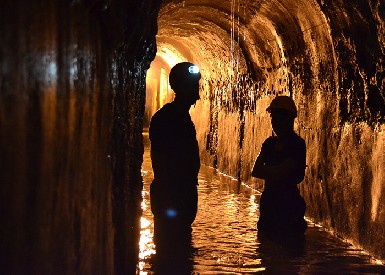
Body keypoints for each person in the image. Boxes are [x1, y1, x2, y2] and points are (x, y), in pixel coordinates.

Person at [149, 62, 201, 243]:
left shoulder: (182, 118)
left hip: (181, 196)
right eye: (193, 86)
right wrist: (166, 198)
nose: (197, 92)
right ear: (180, 87)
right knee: (169, 250)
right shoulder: (166, 119)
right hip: (171, 197)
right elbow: (159, 161)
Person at [252, 95, 307, 239]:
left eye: (279, 119)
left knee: (289, 249)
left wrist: (269, 171)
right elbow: (256, 170)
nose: (275, 123)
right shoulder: (269, 144)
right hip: (269, 204)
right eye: (273, 119)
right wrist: (276, 172)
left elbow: (281, 172)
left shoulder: (297, 145)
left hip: (288, 206)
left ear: (290, 120)